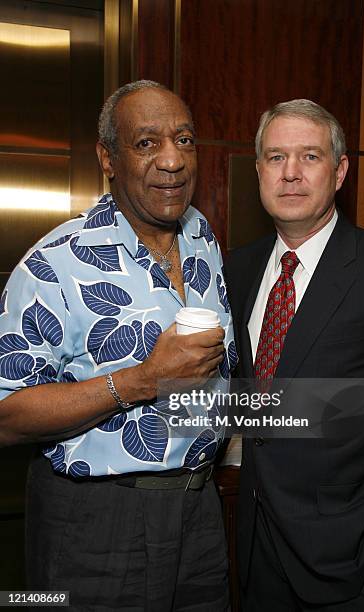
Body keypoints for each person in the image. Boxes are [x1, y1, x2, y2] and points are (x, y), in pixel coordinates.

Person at [0, 80, 236, 611]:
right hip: (96, 521)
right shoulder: (54, 263)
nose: (173, 160)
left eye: (185, 139)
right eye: (147, 143)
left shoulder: (203, 239)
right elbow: (6, 414)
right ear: (107, 157)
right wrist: (141, 380)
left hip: (200, 513)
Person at [226, 99, 364, 611]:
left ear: (340, 171)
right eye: (276, 157)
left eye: (309, 156)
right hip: (259, 548)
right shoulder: (237, 270)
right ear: (258, 170)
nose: (290, 173)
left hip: (357, 563)